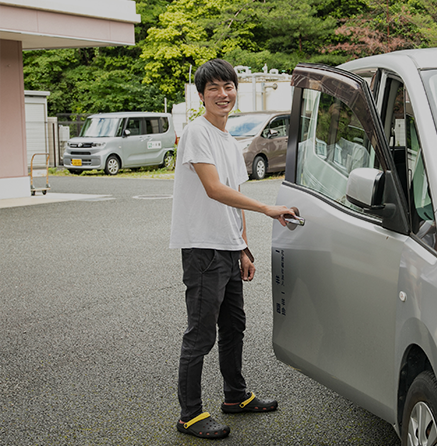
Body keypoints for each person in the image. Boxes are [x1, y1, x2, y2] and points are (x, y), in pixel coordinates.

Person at [169, 58, 294, 440]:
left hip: (227, 247)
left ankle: (235, 396)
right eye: (214, 90)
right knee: (200, 335)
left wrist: (243, 247)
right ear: (202, 95)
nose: (223, 95)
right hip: (202, 248)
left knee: (234, 327)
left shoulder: (228, 138)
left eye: (228, 87)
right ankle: (189, 415)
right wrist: (269, 209)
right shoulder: (197, 133)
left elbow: (235, 195)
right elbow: (213, 189)